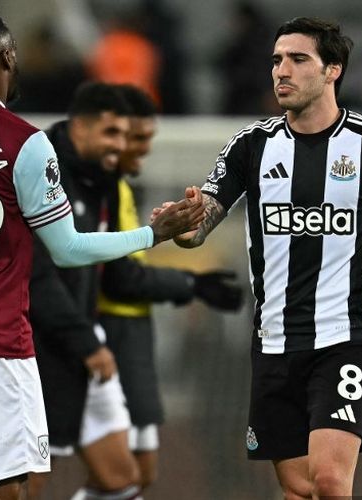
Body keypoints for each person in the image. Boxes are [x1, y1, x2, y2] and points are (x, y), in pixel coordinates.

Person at [0, 12, 204, 500]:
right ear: (7, 59)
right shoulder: (26, 143)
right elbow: (68, 249)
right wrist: (151, 235)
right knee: (6, 490)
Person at [155, 17, 362, 499]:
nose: (280, 71)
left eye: (297, 59)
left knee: (330, 481)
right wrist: (179, 224)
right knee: (297, 488)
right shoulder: (252, 146)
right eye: (276, 60)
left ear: (333, 70)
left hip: (346, 336)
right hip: (274, 342)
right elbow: (201, 224)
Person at [97, 84, 244, 492]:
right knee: (112, 473)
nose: (144, 150)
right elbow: (118, 275)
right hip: (103, 339)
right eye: (138, 138)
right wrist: (188, 282)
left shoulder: (121, 190)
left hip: (131, 337)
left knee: (133, 475)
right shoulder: (95, 191)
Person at [27, 81, 146, 500]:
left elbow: (113, 273)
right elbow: (37, 278)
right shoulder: (39, 170)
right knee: (26, 483)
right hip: (38, 349)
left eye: (126, 135)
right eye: (111, 133)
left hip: (82, 341)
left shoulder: (105, 180)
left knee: (121, 480)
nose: (121, 145)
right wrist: (86, 344)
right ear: (80, 127)